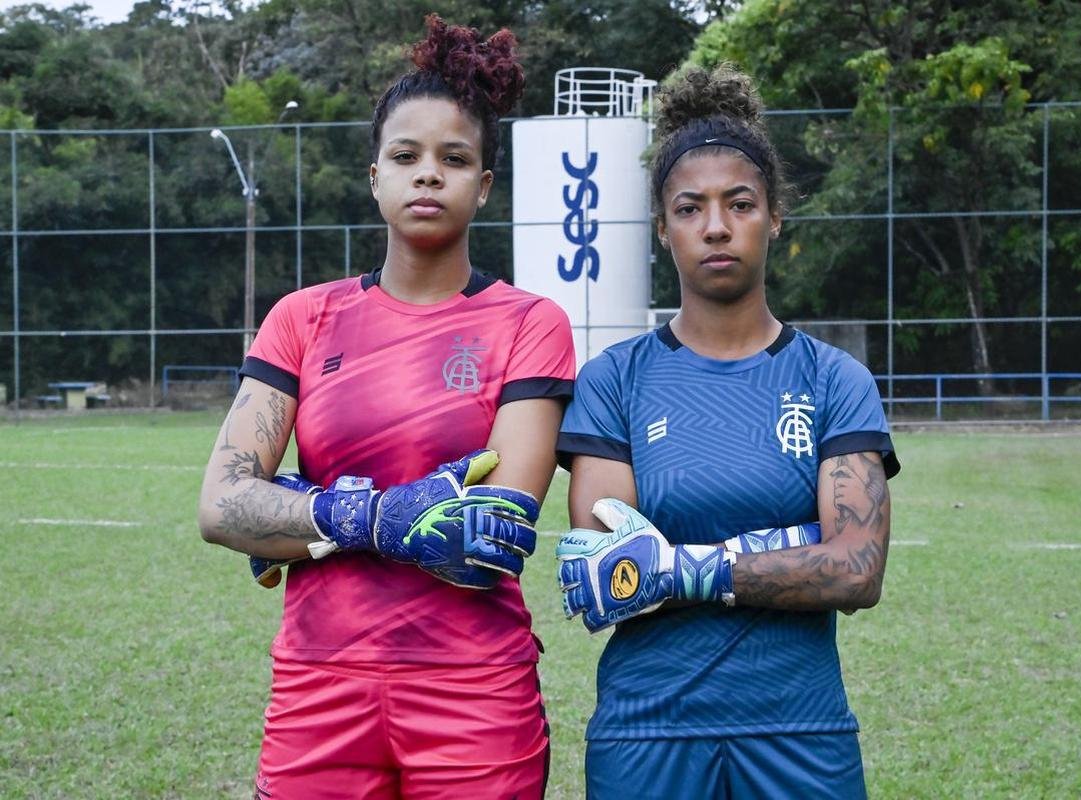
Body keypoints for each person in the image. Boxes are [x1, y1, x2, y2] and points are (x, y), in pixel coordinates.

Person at [197, 16, 574, 799]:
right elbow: (224, 505)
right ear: (375, 177)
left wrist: (304, 517)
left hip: (474, 691)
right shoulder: (302, 317)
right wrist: (377, 518)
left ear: (484, 186)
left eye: (454, 159)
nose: (427, 175)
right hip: (317, 686)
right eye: (406, 156)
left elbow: (489, 536)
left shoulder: (531, 324)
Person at [554, 64, 901, 799]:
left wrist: (685, 569)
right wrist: (783, 547)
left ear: (773, 216)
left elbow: (855, 571)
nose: (715, 225)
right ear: (662, 227)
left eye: (738, 204)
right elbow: (610, 573)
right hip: (646, 730)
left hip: (800, 730)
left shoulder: (833, 379)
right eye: (690, 207)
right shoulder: (613, 381)